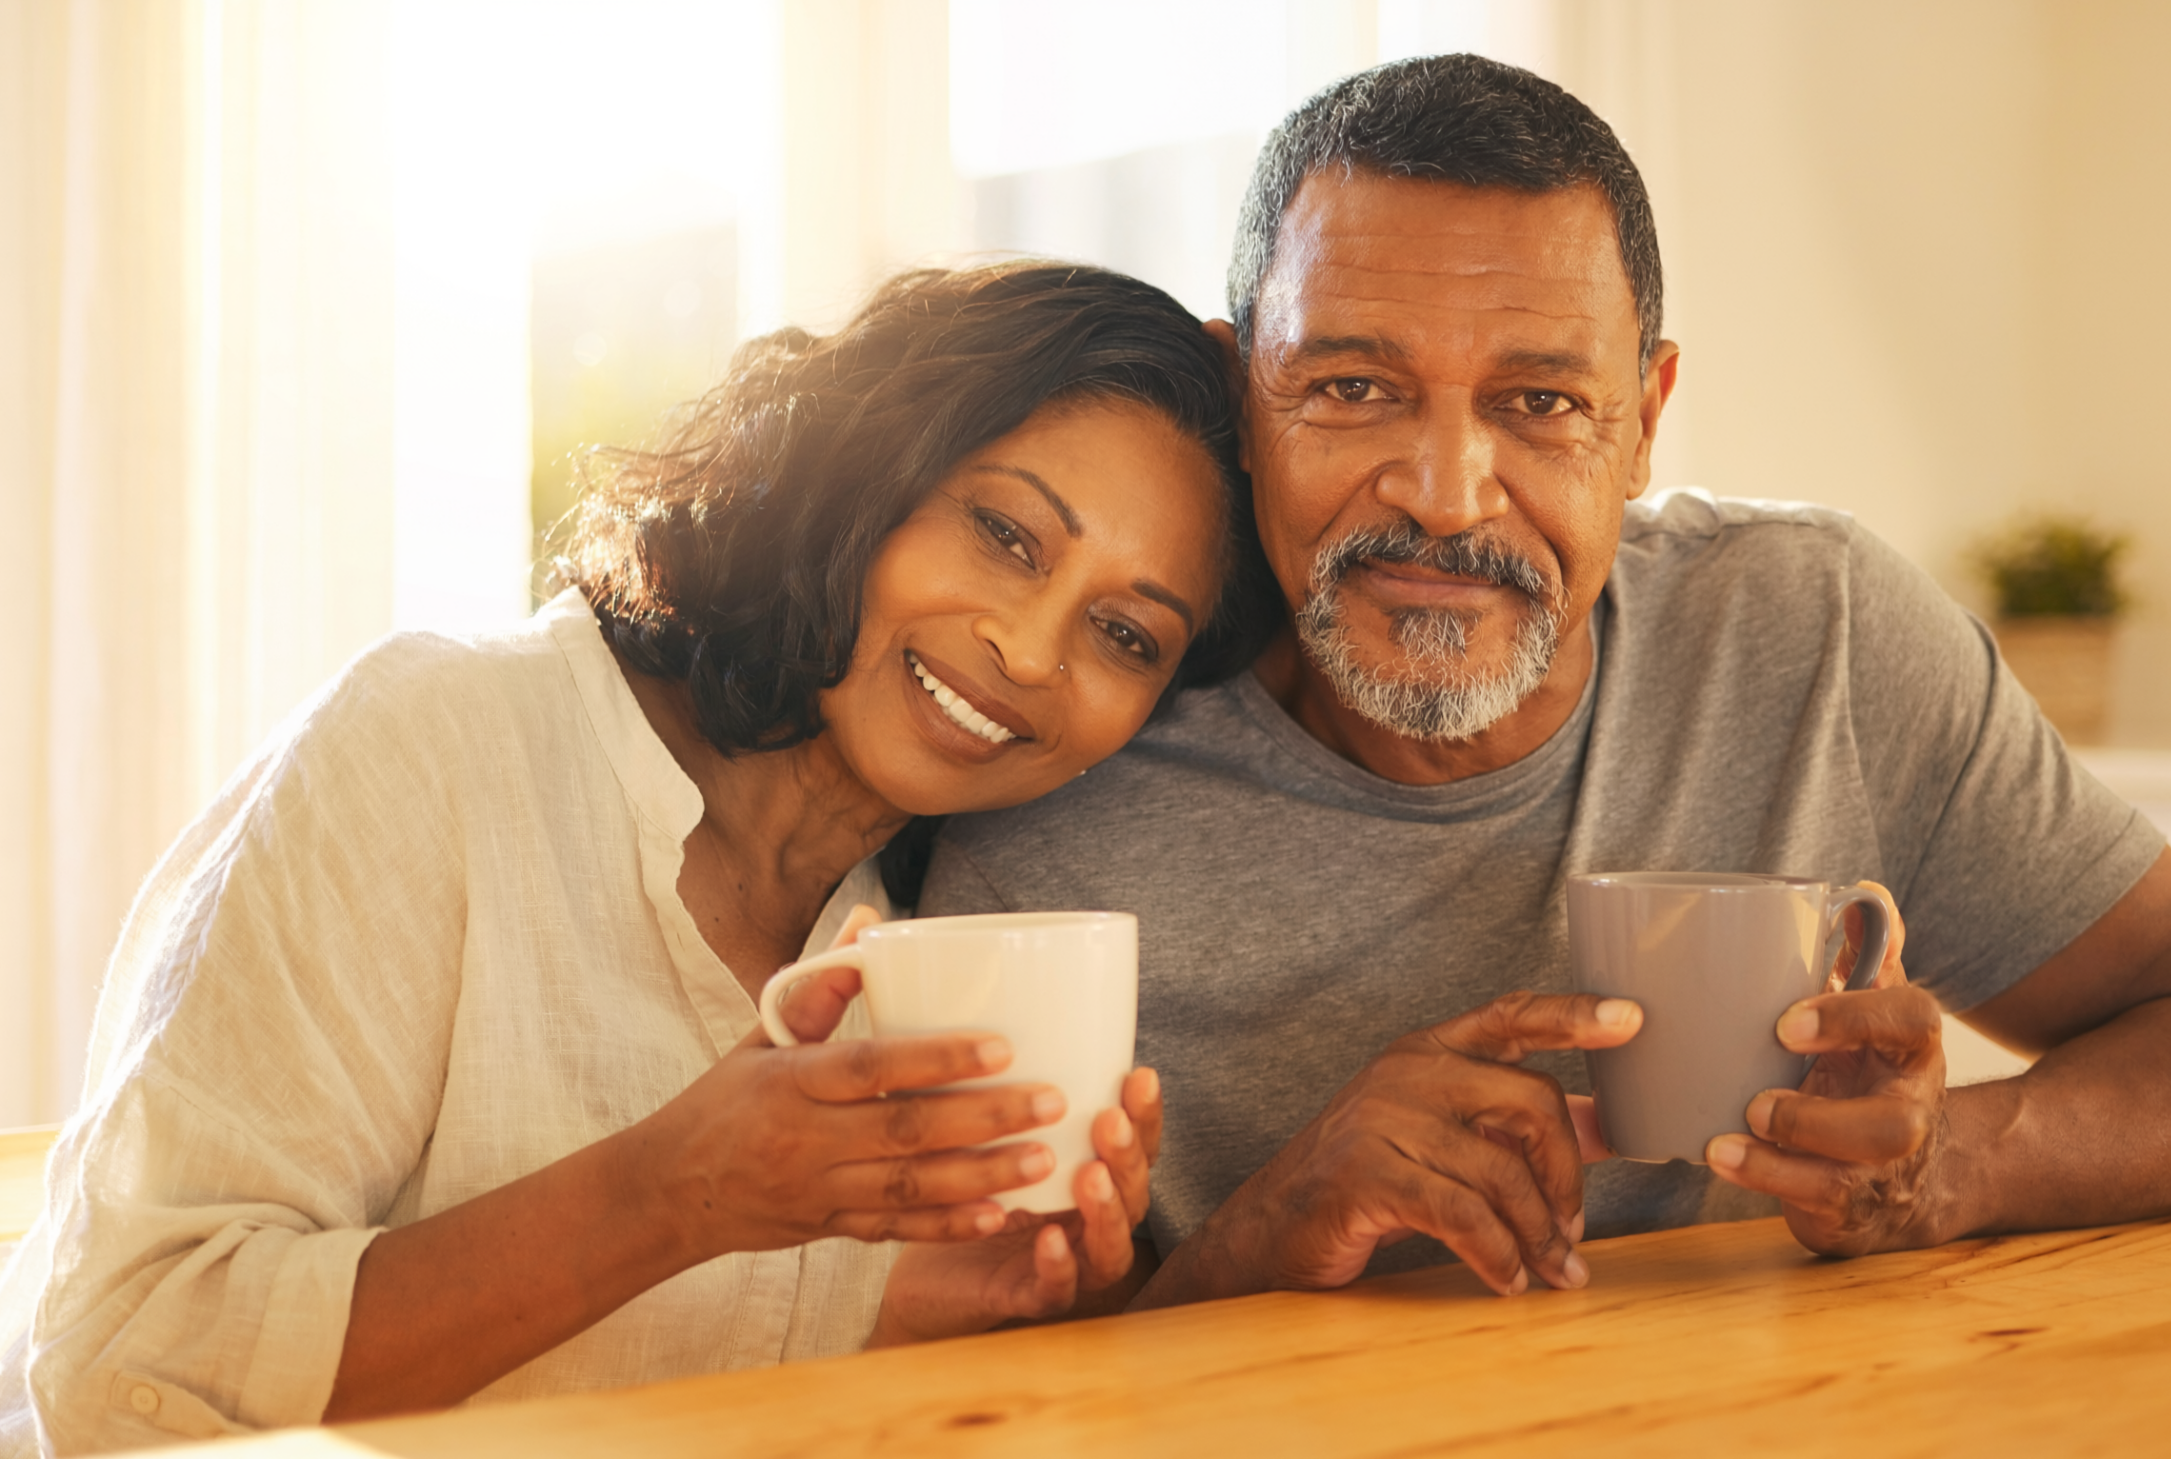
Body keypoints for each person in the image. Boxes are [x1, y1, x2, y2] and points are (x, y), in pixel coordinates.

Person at [921, 57, 2171, 1307]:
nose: (1446, 496)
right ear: (1243, 401)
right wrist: (1264, 1234)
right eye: (1352, 387)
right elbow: (958, 1359)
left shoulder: (1811, 630)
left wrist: (1939, 1164)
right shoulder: (1063, 742)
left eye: (1540, 403)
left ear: (1644, 420)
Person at [0, 261, 1270, 1452]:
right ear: (865, 473)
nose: (1037, 651)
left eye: (1124, 632)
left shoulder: (923, 931)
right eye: (1004, 533)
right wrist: (669, 1194)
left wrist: (924, 1320)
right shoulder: (438, 744)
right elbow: (116, 1359)